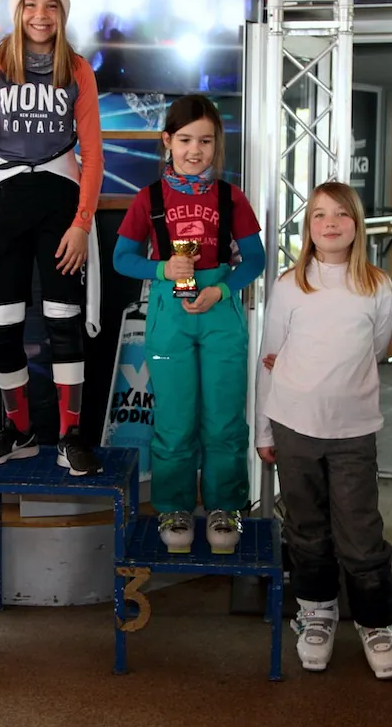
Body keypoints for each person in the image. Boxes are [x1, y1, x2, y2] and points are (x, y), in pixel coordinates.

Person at [0, 0, 103, 476]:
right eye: (31, 4)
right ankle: (19, 431)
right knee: (5, 323)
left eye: (51, 5)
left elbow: (93, 155)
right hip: (5, 201)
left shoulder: (77, 70)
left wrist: (82, 222)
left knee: (63, 319)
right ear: (17, 10)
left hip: (60, 203)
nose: (41, 15)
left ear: (63, 13)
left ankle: (71, 434)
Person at [255, 182, 392, 679]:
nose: (331, 223)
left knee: (360, 530)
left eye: (341, 214)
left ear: (357, 225)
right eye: (319, 215)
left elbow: (376, 349)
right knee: (306, 527)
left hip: (353, 430)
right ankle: (316, 611)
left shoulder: (378, 286)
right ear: (308, 227)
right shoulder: (289, 286)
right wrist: (264, 430)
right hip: (293, 426)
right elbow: (270, 356)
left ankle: (377, 622)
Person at [113, 94, 265, 555]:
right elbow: (122, 258)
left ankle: (225, 507)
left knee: (224, 419)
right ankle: (174, 508)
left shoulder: (230, 197)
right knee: (175, 420)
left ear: (217, 144)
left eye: (205, 140)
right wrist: (162, 269)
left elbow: (255, 258)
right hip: (169, 317)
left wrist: (223, 289)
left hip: (220, 314)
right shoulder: (149, 198)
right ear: (167, 141)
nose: (194, 150)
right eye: (184, 140)